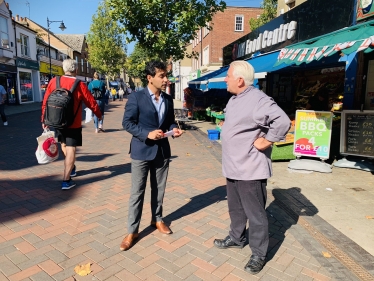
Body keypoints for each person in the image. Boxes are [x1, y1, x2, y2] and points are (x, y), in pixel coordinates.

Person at [213, 61, 290, 275]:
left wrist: (267, 140)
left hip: (250, 168)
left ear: (239, 80)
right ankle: (236, 238)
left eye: (228, 76)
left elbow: (282, 121)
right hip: (232, 167)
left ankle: (258, 254)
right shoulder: (235, 99)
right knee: (235, 208)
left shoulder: (259, 100)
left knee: (255, 214)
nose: (225, 79)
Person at [120, 60, 183, 251]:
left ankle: (157, 219)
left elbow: (169, 122)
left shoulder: (168, 99)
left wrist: (174, 129)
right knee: (137, 192)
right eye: (162, 76)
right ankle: (132, 230)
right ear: (150, 78)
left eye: (166, 76)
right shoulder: (136, 98)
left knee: (159, 189)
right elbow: (127, 123)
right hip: (141, 150)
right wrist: (146, 134)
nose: (166, 80)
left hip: (162, 151)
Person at [41, 59, 102, 190]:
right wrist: (99, 115)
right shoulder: (79, 84)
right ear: (76, 70)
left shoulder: (53, 81)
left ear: (64, 69)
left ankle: (71, 167)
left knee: (63, 144)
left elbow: (45, 101)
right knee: (71, 148)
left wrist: (43, 120)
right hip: (73, 122)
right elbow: (90, 101)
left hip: (56, 120)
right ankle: (66, 180)